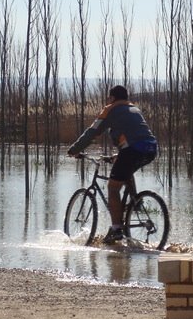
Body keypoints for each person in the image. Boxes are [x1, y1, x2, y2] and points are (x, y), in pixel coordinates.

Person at [67, 85, 158, 244]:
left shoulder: (111, 109)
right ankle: (136, 201)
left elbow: (92, 131)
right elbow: (136, 135)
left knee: (113, 187)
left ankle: (116, 228)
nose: (108, 101)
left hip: (132, 150)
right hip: (151, 148)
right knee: (126, 171)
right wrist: (119, 154)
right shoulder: (134, 109)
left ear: (113, 98)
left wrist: (75, 149)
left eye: (109, 98)